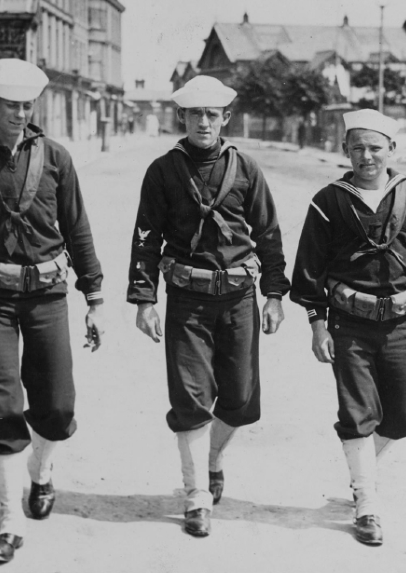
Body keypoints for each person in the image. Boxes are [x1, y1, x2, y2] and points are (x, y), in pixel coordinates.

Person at [0, 58, 105, 565]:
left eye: (27, 105)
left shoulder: (55, 157)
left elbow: (78, 229)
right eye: (11, 105)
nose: (19, 113)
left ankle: (42, 472)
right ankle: (9, 521)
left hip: (49, 296)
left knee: (57, 404)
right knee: (3, 405)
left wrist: (94, 300)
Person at [127, 75, 291, 538]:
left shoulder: (247, 169)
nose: (203, 121)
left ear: (225, 119)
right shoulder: (163, 170)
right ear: (182, 117)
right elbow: (145, 237)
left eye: (211, 114)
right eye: (194, 113)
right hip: (187, 300)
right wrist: (144, 298)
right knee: (191, 398)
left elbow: (270, 235)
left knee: (238, 399)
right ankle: (196, 494)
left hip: (239, 297)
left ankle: (215, 456)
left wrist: (275, 294)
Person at [289, 109, 406, 546]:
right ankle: (367, 503)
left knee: (401, 418)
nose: (367, 156)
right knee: (358, 412)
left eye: (375, 147)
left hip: (401, 323)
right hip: (349, 324)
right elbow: (309, 268)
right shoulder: (328, 201)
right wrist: (317, 325)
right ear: (345, 150)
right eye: (358, 148)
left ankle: (361, 476)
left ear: (392, 150)